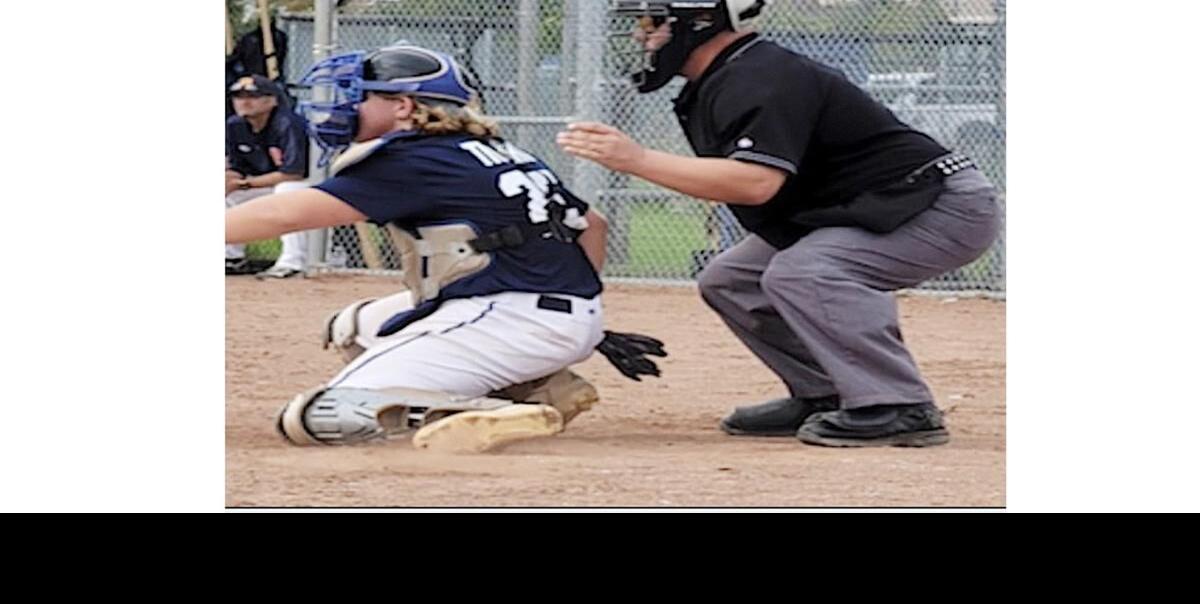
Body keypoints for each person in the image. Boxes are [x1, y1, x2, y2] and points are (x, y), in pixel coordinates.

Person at [557, 0, 1001, 447]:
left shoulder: (760, 76)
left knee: (807, 272)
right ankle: (828, 392)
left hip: (936, 205)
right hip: (873, 206)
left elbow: (755, 183)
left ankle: (900, 405)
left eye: (651, 26)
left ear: (697, 23)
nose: (640, 37)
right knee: (731, 280)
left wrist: (638, 160)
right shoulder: (726, 76)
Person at [226, 45, 665, 452]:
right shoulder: (493, 149)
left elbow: (283, 216)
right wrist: (580, 311)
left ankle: (493, 411)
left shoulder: (415, 159)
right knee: (354, 326)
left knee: (320, 415)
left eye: (360, 96)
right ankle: (538, 383)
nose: (345, 106)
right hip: (538, 312)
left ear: (403, 106)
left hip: (509, 316)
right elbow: (592, 225)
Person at [225, 74, 310, 278]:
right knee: (227, 196)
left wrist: (245, 184)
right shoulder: (235, 125)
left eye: (252, 96)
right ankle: (231, 257)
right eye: (238, 96)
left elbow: (294, 173)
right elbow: (237, 165)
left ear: (271, 100)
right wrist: (229, 179)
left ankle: (292, 263)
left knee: (287, 193)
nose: (243, 101)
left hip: (308, 184)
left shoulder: (288, 123)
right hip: (261, 184)